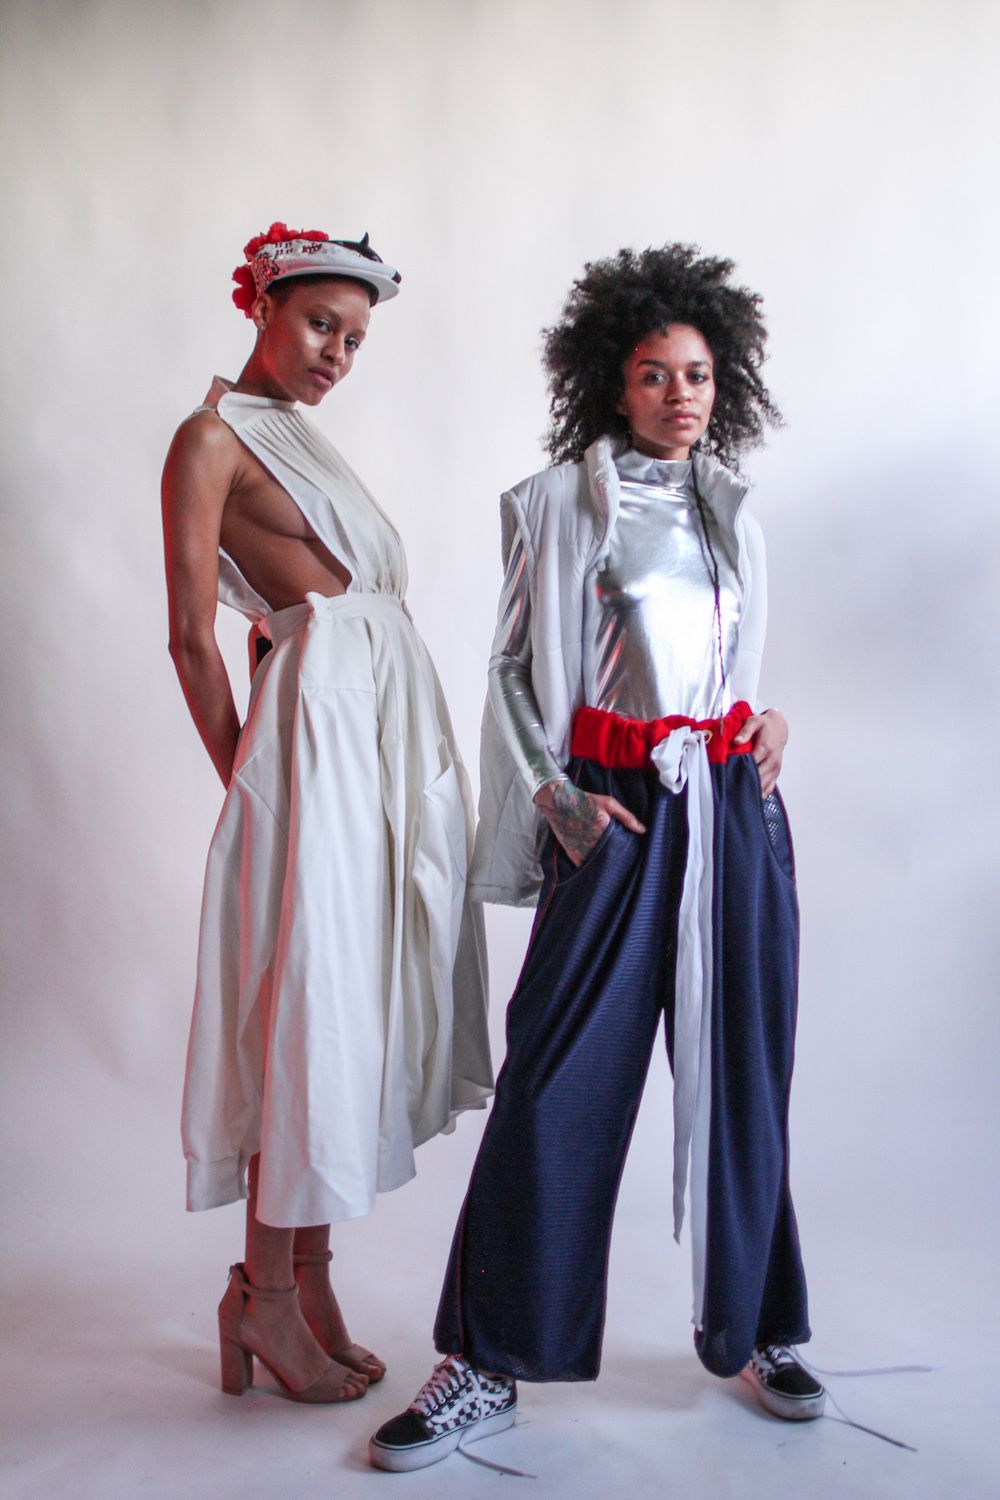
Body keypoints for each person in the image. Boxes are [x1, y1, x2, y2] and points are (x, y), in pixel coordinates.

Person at [369, 243, 824, 1470]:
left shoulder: (733, 513)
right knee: (556, 1081)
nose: (680, 394)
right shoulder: (558, 506)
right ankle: (487, 1361)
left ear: (724, 385)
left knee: (744, 1075)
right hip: (616, 815)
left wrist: (770, 723)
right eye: (653, 373)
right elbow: (513, 670)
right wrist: (554, 795)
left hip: (730, 810)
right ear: (610, 382)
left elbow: (727, 675)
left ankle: (759, 1327)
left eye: (697, 374)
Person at [162, 222, 492, 1407]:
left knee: (351, 1001)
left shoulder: (299, 439)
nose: (336, 353)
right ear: (259, 303)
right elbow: (192, 636)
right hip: (317, 750)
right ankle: (261, 1297)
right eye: (318, 323)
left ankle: (304, 1282)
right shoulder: (211, 438)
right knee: (311, 1000)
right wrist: (249, 786)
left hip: (372, 732)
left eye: (353, 339)